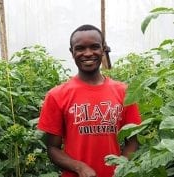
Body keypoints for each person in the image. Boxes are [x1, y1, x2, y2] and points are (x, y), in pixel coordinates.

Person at [37, 24, 141, 177]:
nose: (87, 53)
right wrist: (79, 168)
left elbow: (132, 141)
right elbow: (53, 148)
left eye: (94, 47)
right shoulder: (57, 95)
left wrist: (122, 168)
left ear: (103, 49)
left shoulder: (125, 92)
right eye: (80, 48)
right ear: (72, 52)